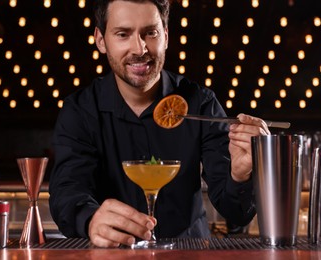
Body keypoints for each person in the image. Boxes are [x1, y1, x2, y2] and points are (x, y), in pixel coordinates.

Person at [49, 0, 271, 248]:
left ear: (165, 36)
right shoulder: (80, 110)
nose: (140, 48)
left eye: (150, 33)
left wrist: (241, 175)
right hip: (112, 254)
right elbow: (67, 192)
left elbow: (236, 212)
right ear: (101, 40)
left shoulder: (201, 103)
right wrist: (90, 219)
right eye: (123, 34)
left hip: (189, 253)